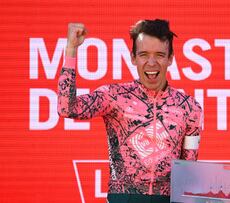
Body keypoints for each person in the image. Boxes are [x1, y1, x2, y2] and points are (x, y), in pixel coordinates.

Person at [57, 19, 202, 203]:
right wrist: (71, 49)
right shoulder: (115, 97)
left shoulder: (189, 108)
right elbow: (66, 108)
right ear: (133, 58)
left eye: (159, 54)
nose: (151, 63)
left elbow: (189, 169)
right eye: (143, 54)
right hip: (123, 198)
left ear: (170, 58)